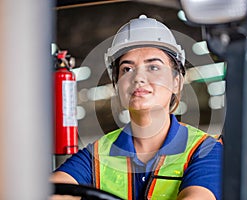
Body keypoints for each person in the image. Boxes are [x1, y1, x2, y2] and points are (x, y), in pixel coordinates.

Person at [51, 15, 223, 200]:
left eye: (153, 67)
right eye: (127, 69)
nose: (138, 78)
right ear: (117, 84)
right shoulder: (96, 156)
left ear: (176, 82)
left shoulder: (205, 150)